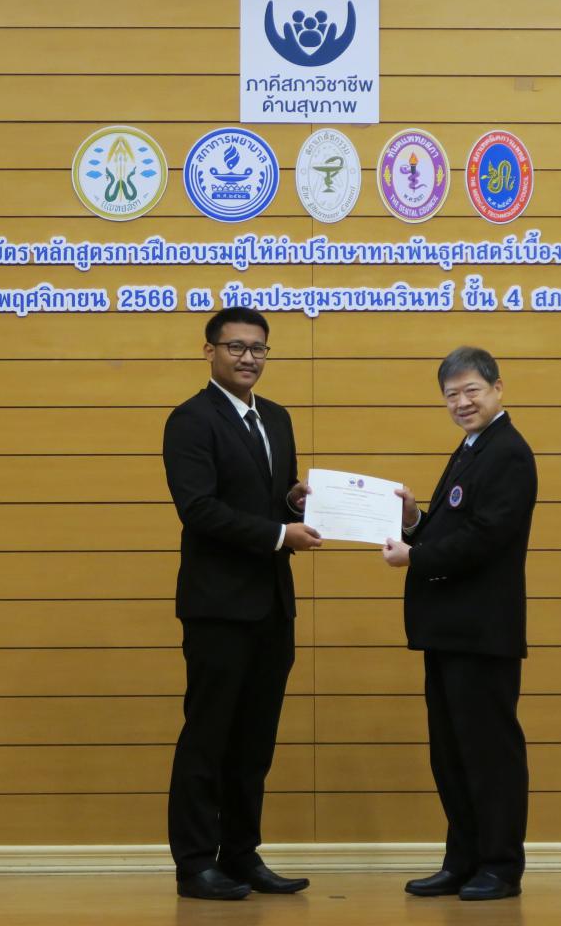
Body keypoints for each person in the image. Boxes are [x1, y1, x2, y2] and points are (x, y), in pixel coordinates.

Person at [162, 306, 321, 900]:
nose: (248, 357)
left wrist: (295, 504)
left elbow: (267, 501)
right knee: (208, 736)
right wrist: (281, 533)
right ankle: (195, 863)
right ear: (210, 352)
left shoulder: (276, 418)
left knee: (255, 741)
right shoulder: (190, 420)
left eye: (258, 348)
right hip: (218, 608)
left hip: (272, 605)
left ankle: (240, 855)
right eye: (236, 347)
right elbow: (199, 509)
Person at [382, 345, 536, 901]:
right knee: (451, 753)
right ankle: (463, 859)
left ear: (498, 388)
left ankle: (499, 865)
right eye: (451, 395)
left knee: (488, 753)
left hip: (481, 633)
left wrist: (415, 556)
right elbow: (455, 525)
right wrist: (414, 521)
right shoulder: (474, 448)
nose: (462, 402)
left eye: (472, 390)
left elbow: (486, 537)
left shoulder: (508, 452)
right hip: (450, 631)